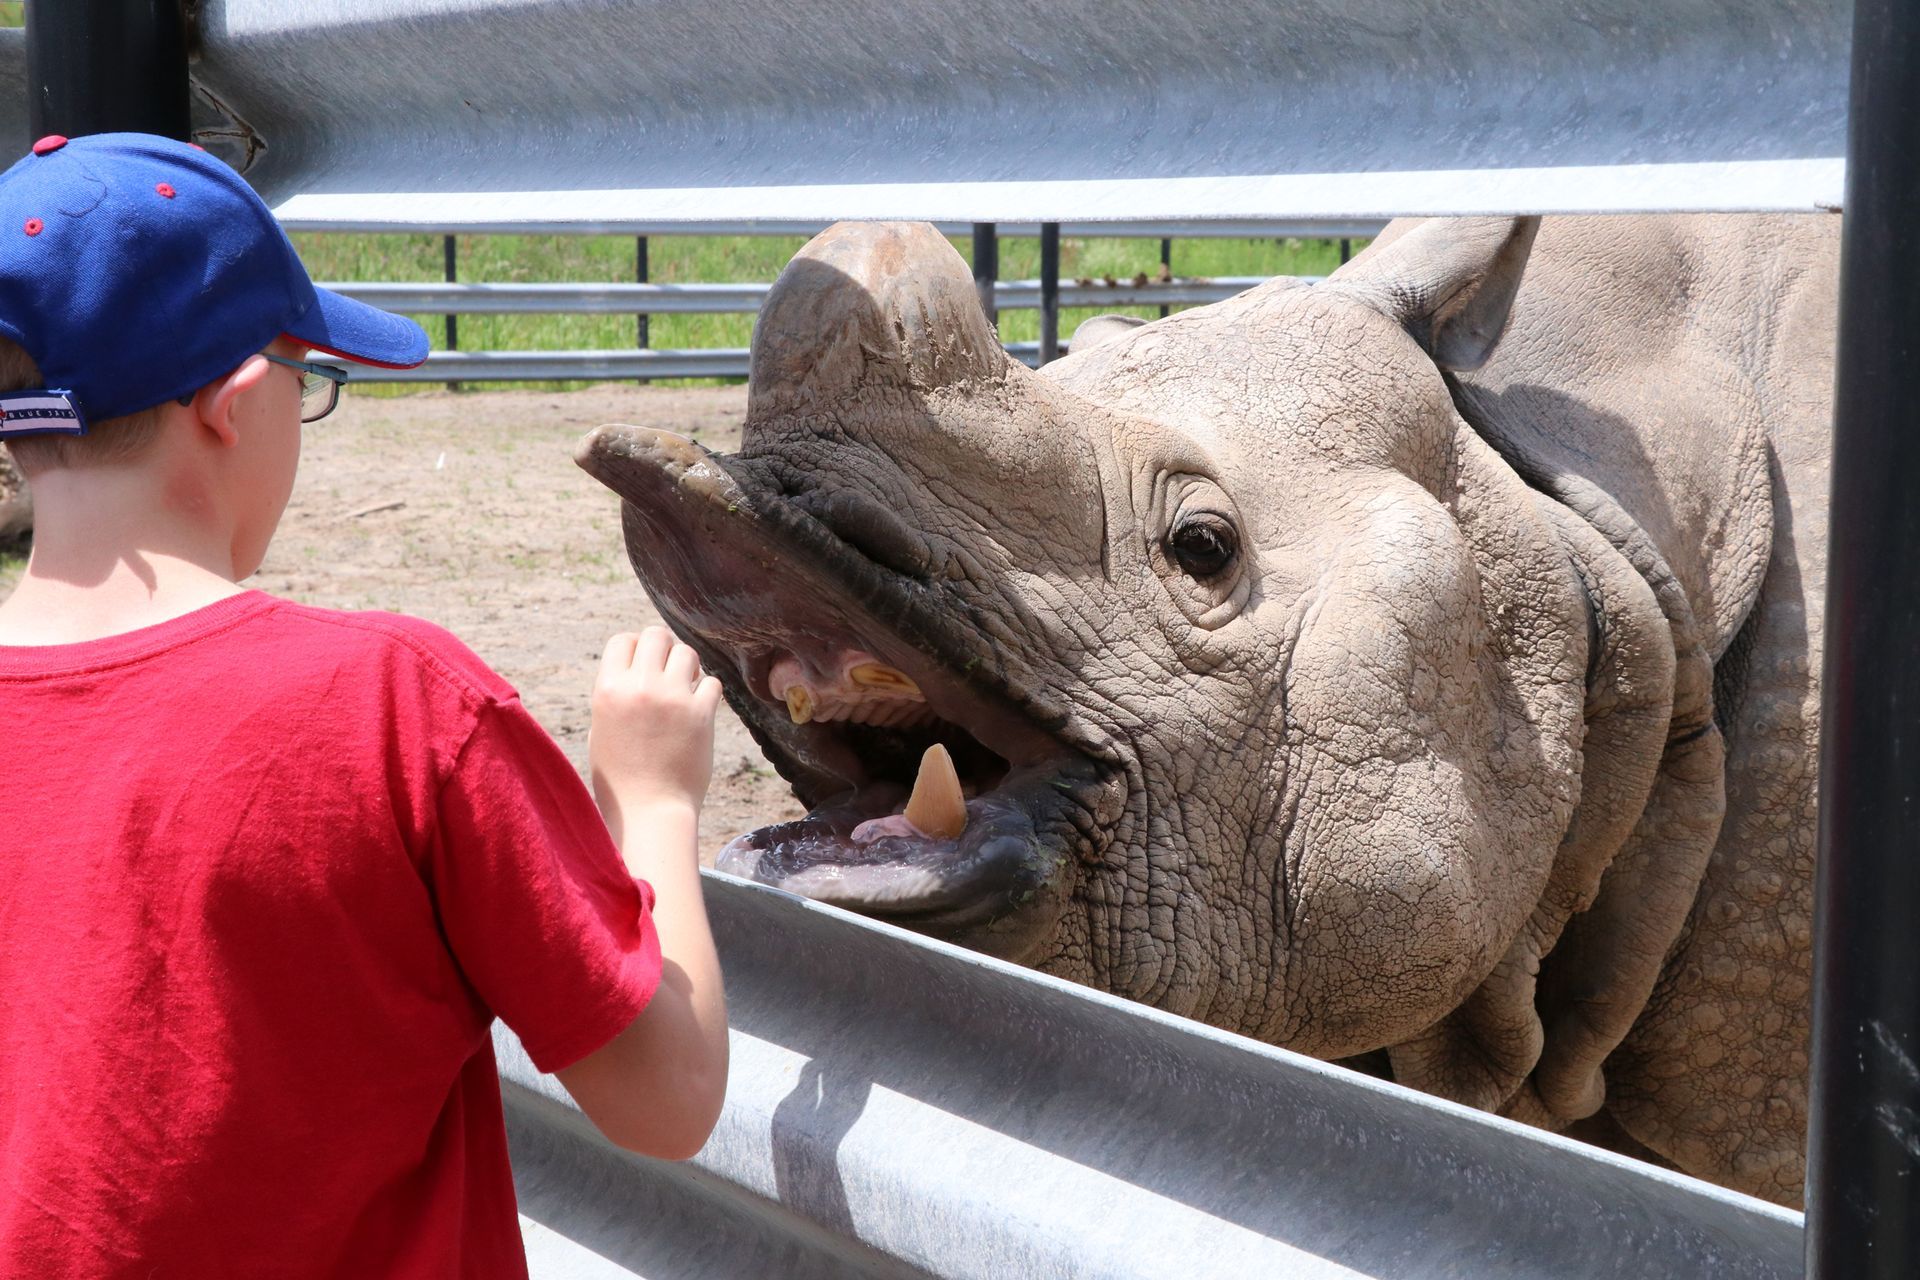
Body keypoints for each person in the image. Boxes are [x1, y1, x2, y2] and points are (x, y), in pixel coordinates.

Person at [0, 133, 728, 1277]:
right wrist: (656, 799)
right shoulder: (394, 705)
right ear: (236, 403)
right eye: (311, 380)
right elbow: (668, 1097)